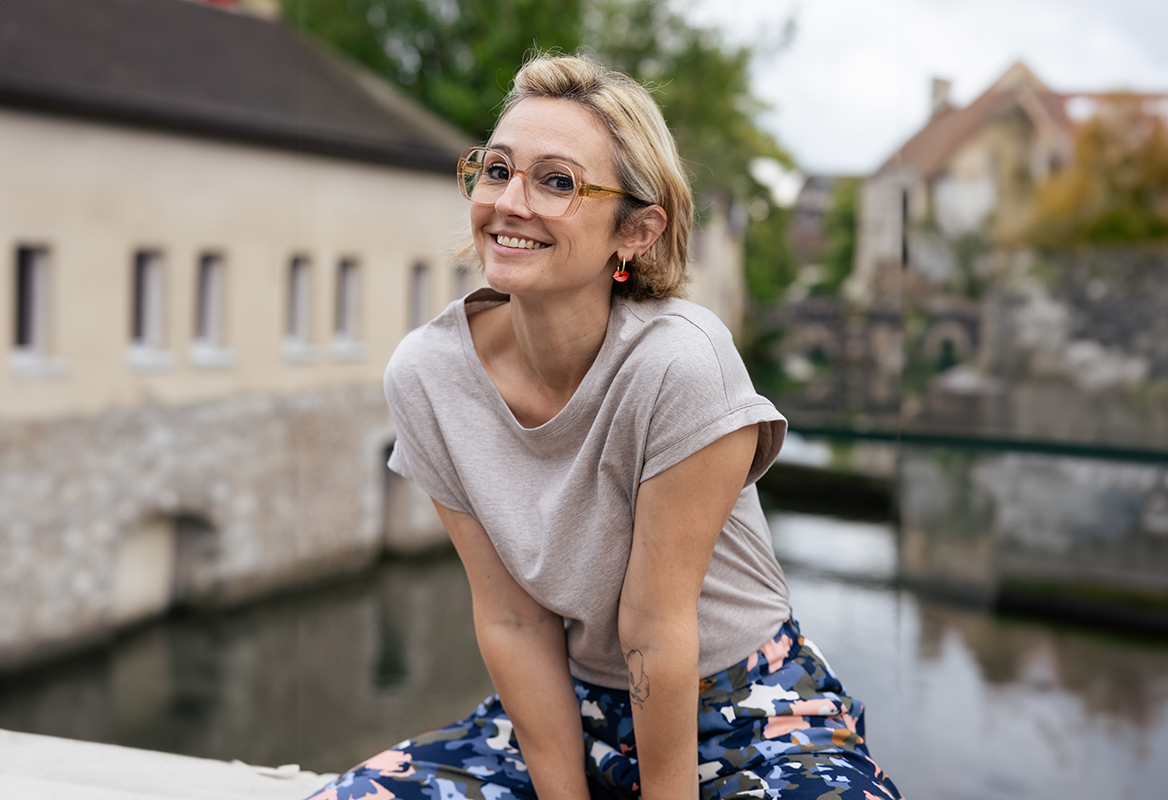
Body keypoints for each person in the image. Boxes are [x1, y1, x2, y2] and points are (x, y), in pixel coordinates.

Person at [308, 53, 902, 800]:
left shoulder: (680, 363)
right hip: (567, 703)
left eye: (557, 182)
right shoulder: (428, 375)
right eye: (497, 170)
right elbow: (515, 623)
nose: (510, 202)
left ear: (638, 230)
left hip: (746, 701)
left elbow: (656, 630)